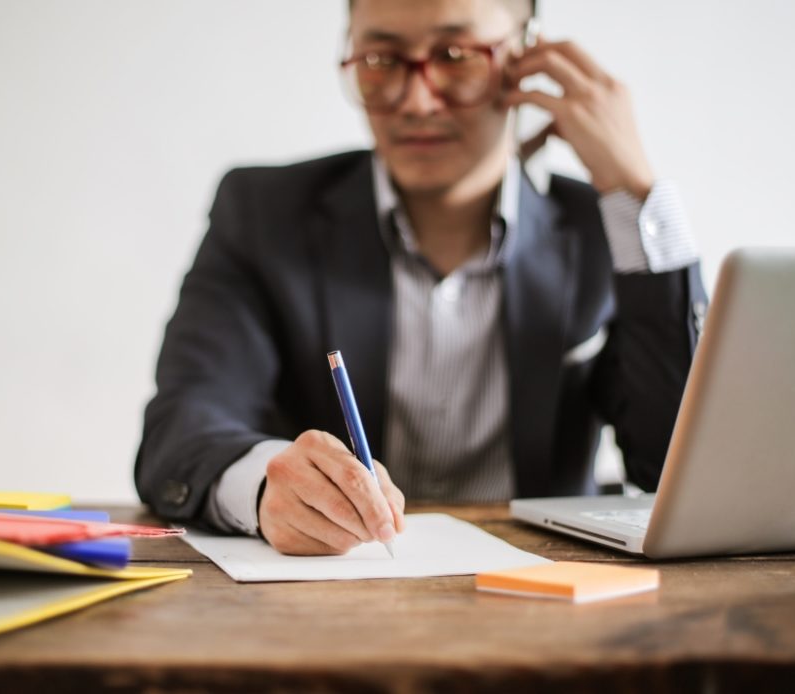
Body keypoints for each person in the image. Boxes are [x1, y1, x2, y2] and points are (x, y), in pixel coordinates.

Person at [135, 0, 707, 556]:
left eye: (456, 54)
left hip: (551, 599)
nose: (416, 99)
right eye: (381, 60)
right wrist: (266, 484)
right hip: (330, 605)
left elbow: (677, 467)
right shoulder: (264, 215)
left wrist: (635, 196)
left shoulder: (603, 228)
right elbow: (184, 425)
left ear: (527, 57)